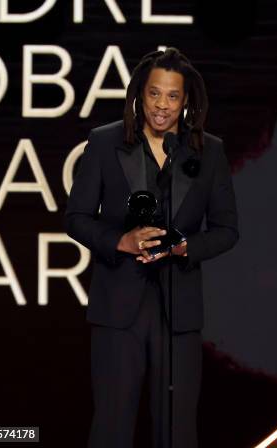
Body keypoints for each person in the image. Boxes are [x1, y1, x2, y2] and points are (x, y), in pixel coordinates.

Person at [65, 48, 238, 448]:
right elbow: (76, 217)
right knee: (111, 426)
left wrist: (183, 248)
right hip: (117, 308)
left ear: (186, 100)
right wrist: (120, 241)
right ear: (139, 95)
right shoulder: (106, 142)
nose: (162, 105)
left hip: (179, 310)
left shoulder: (208, 151)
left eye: (173, 96)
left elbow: (227, 230)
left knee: (177, 431)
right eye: (154, 94)